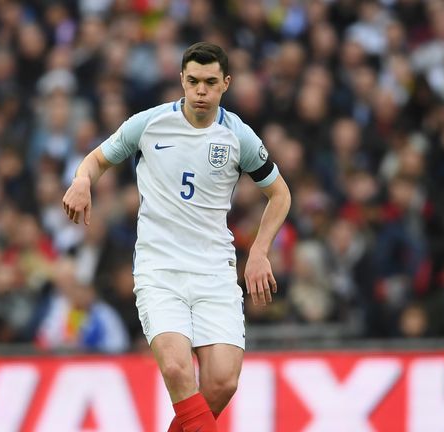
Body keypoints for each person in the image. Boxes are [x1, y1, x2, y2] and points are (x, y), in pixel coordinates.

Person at [62, 42, 291, 432]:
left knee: (222, 381)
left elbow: (280, 194)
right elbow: (97, 158)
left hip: (215, 271)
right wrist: (82, 180)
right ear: (181, 81)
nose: (200, 91)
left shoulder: (239, 136)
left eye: (210, 82)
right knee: (175, 366)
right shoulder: (149, 124)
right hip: (160, 268)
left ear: (226, 84)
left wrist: (259, 252)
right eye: (193, 81)